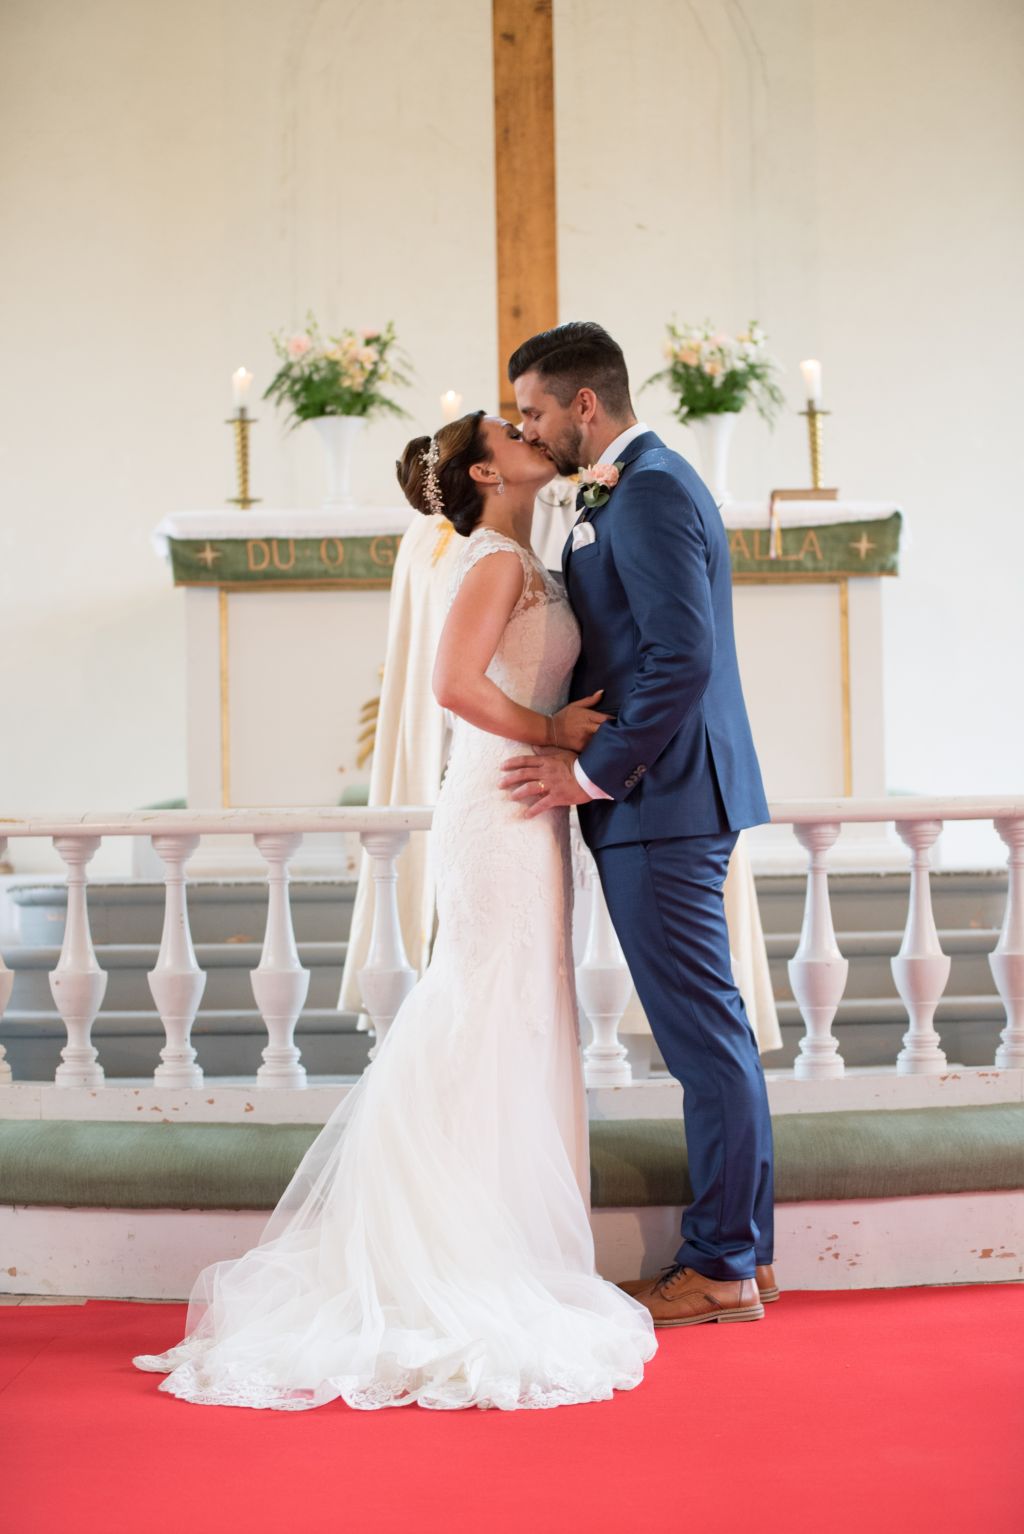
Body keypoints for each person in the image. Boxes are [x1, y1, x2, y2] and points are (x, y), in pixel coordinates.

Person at [131, 408, 656, 1411]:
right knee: (487, 1002)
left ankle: (503, 1240)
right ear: (483, 471)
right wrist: (551, 729)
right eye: (511, 431)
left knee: (517, 1005)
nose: (528, 432)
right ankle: (457, 1252)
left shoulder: (524, 555)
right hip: (497, 804)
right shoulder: (491, 562)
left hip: (526, 807)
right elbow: (452, 685)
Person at [501, 321, 777, 1326]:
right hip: (665, 800)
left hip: (661, 801)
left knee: (702, 1038)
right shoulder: (630, 487)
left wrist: (592, 773)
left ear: (585, 403)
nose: (528, 430)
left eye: (535, 410)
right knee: (712, 1032)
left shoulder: (650, 488)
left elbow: (680, 658)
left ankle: (721, 1264)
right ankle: (745, 1253)